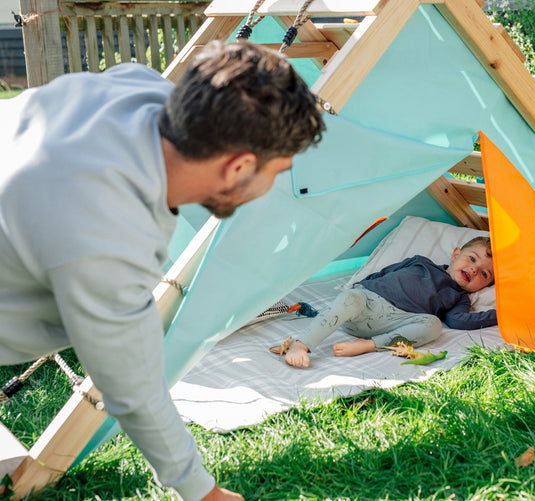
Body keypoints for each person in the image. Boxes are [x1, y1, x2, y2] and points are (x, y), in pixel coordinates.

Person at [0, 41, 324, 501]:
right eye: (277, 172)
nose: (272, 188)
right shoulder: (103, 230)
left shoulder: (141, 89)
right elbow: (133, 389)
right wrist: (204, 492)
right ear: (239, 166)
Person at [284, 237, 497, 368]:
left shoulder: (459, 298)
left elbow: (459, 321)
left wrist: (500, 314)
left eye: (485, 274)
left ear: (485, 286)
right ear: (455, 254)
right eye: (472, 259)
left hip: (396, 323)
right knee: (350, 297)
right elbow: (386, 272)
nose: (474, 269)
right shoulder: (421, 262)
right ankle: (301, 345)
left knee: (433, 326)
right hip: (367, 303)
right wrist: (362, 285)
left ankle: (369, 345)